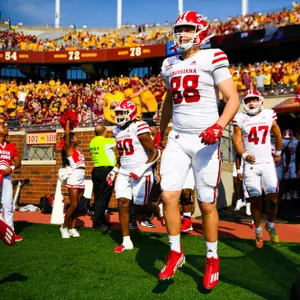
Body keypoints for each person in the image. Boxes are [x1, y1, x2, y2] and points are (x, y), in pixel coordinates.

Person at [154, 11, 240, 290]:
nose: (182, 34)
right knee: (168, 194)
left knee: (206, 202)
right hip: (178, 138)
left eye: (188, 29)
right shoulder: (169, 64)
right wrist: (160, 129)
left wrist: (219, 125)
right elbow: (168, 101)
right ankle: (176, 251)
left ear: (201, 31)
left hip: (205, 140)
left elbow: (232, 99)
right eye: (178, 29)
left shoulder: (212, 57)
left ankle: (212, 258)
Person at [109, 99, 161, 253]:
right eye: (117, 113)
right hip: (125, 172)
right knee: (123, 204)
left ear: (131, 113)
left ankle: (159, 208)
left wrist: (142, 169)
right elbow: (123, 156)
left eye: (121, 113)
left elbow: (155, 152)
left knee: (141, 206)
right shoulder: (116, 131)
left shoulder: (139, 126)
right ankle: (126, 241)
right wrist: (115, 170)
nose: (118, 116)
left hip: (142, 172)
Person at [232, 89, 283, 248]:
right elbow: (237, 140)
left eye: (254, 100)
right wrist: (244, 154)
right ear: (244, 103)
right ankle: (258, 231)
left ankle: (271, 224)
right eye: (248, 101)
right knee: (255, 199)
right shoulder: (240, 118)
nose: (251, 103)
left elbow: (278, 133)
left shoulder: (268, 114)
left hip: (267, 162)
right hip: (251, 166)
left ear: (260, 101)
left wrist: (279, 152)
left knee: (273, 198)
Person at [59, 120, 85, 238]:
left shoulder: (78, 151)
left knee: (78, 205)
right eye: (76, 137)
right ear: (71, 140)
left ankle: (73, 228)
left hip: (81, 178)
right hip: (74, 178)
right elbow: (67, 134)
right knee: (73, 204)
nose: (78, 138)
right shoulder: (69, 149)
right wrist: (68, 122)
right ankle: (64, 227)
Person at [89, 125, 117, 231]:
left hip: (96, 171)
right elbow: (117, 141)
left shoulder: (92, 142)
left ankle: (101, 220)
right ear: (104, 132)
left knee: (98, 197)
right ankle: (98, 223)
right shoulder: (106, 141)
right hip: (105, 172)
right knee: (103, 198)